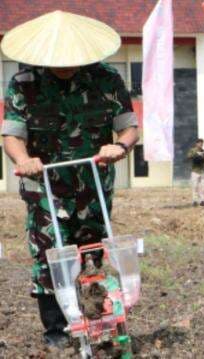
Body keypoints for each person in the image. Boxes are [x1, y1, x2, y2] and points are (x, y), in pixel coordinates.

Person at [1, 11, 139, 348]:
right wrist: (24, 160)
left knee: (93, 250)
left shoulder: (107, 79)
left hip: (91, 182)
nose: (64, 65)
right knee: (51, 254)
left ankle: (99, 320)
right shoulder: (24, 83)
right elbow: (12, 135)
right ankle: (57, 333)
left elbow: (129, 127)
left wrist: (119, 146)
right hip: (44, 184)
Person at [187, 138, 204, 206]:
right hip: (195, 171)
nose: (201, 144)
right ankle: (194, 201)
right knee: (195, 187)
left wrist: (203, 157)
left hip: (203, 171)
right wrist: (195, 155)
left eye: (202, 143)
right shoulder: (192, 150)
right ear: (196, 144)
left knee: (202, 187)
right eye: (199, 143)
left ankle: (202, 200)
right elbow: (188, 157)